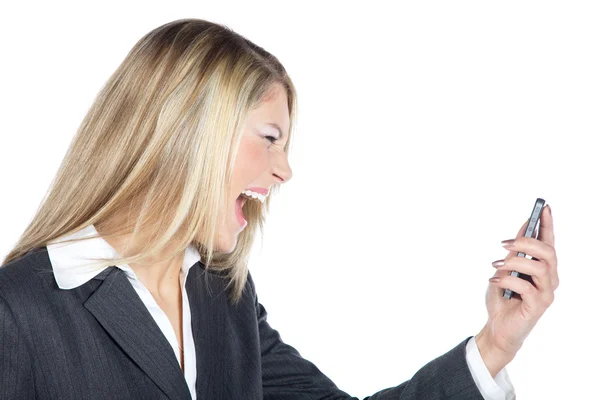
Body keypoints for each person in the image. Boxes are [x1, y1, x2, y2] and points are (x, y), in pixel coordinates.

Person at [0, 18, 558, 399]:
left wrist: (495, 344)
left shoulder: (224, 297)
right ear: (191, 134)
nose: (284, 170)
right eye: (269, 138)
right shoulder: (20, 311)